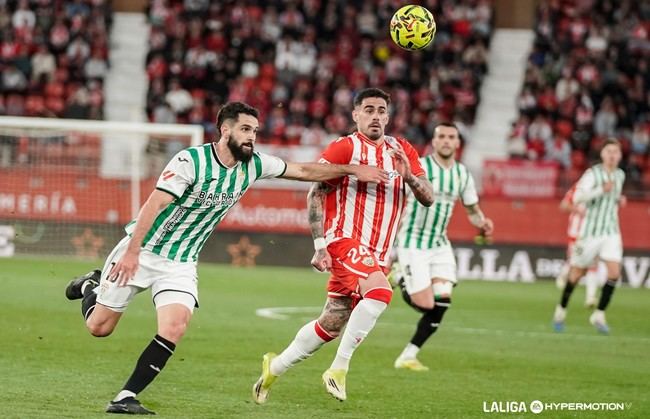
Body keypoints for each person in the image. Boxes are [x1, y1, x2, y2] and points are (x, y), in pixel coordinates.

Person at [64, 101, 389, 415]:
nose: (252, 136)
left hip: (180, 262)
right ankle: (91, 285)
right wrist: (132, 252)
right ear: (225, 130)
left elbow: (303, 170)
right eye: (245, 129)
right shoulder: (190, 161)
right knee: (99, 327)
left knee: (175, 325)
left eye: (255, 131)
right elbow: (154, 204)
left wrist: (352, 170)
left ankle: (126, 396)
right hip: (143, 251)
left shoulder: (255, 164)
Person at [253, 88, 434, 403]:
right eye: (369, 110)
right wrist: (320, 244)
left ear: (388, 116)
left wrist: (409, 177)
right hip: (344, 240)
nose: (375, 116)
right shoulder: (345, 148)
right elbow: (316, 191)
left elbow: (428, 197)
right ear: (356, 115)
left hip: (378, 253)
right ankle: (338, 368)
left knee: (332, 323)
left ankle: (275, 367)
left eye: (381, 110)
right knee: (380, 293)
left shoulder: (403, 149)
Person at [392, 122, 494, 371]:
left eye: (451, 137)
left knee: (443, 300)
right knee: (425, 305)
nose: (447, 141)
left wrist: (482, 222)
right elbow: (396, 198)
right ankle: (399, 275)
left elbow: (471, 209)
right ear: (434, 141)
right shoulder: (419, 167)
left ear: (458, 143)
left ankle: (408, 355)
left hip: (439, 243)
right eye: (442, 136)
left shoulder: (462, 174)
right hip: (412, 241)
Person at [552, 139, 626, 334]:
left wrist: (618, 199)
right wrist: (601, 189)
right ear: (602, 154)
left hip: (611, 232)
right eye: (609, 151)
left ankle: (599, 314)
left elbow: (612, 199)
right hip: (589, 233)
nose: (612, 155)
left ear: (620, 155)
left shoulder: (620, 175)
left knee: (614, 273)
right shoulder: (592, 174)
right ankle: (561, 310)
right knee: (576, 274)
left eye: (615, 152)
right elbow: (577, 198)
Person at [554, 183, 605, 308]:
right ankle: (564, 275)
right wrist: (577, 209)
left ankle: (590, 297)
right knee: (575, 262)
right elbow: (564, 205)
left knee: (593, 264)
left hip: (594, 234)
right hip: (577, 234)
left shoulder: (602, 190)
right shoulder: (577, 189)